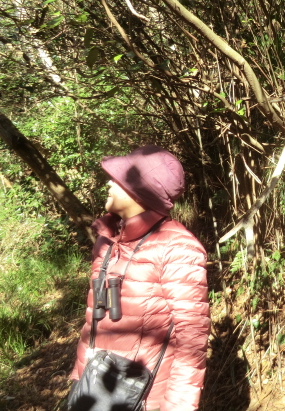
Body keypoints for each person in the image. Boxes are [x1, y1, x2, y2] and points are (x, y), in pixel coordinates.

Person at [70, 145, 210, 411]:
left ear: (141, 192)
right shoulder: (108, 240)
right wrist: (80, 379)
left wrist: (177, 406)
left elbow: (192, 338)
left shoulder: (178, 248)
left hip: (141, 398)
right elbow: (94, 320)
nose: (109, 183)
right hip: (94, 389)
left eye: (118, 179)